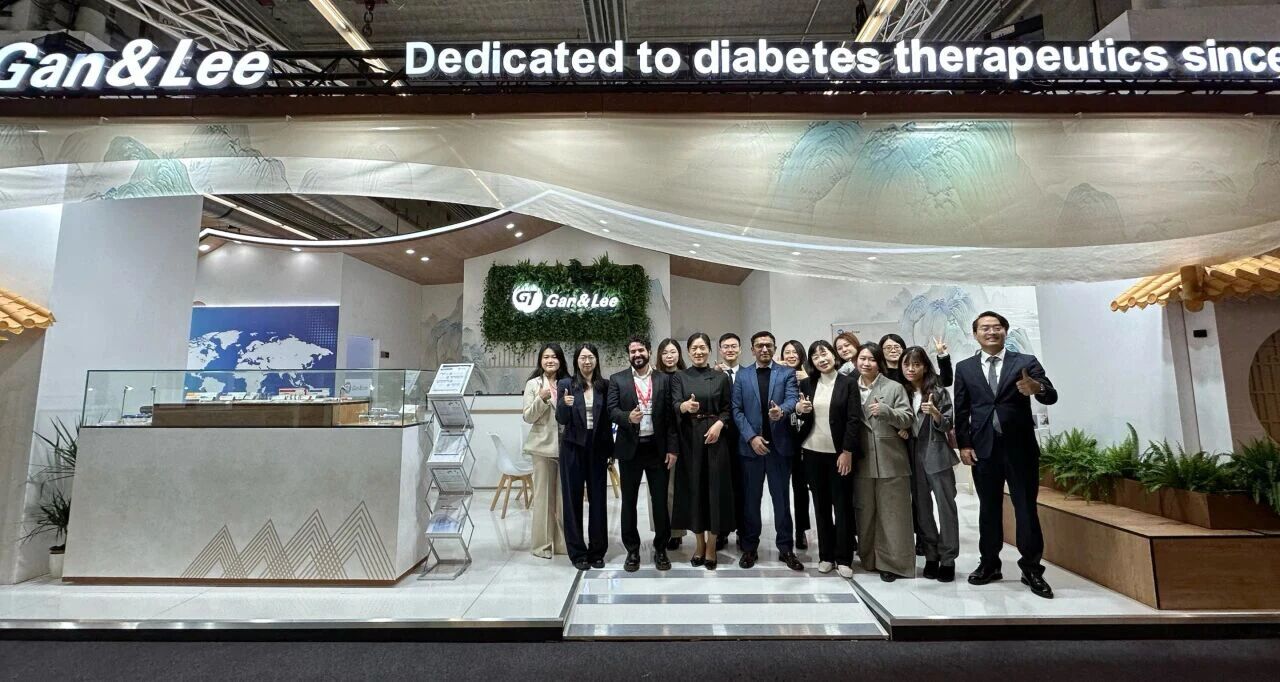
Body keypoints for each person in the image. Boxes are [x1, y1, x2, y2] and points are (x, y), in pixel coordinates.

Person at [954, 311, 1058, 599]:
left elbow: (1051, 394)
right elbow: (962, 410)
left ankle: (1032, 569)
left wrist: (1036, 387)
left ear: (1005, 331)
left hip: (1020, 449)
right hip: (983, 450)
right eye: (985, 328)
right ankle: (989, 564)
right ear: (975, 334)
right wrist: (964, 445)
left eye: (997, 327)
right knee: (988, 509)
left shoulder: (1024, 362)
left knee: (1026, 508)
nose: (991, 332)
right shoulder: (964, 368)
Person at [730, 331, 804, 571]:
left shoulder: (786, 373)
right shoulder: (742, 375)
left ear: (774, 347)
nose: (764, 349)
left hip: (779, 448)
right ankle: (750, 547)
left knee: (781, 501)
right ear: (752, 349)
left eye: (769, 345)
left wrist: (781, 411)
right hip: (751, 449)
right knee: (751, 501)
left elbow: (792, 399)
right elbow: (736, 409)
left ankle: (786, 549)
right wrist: (751, 437)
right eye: (759, 345)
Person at [607, 335, 680, 573]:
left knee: (660, 502)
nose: (637, 354)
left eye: (641, 350)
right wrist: (627, 417)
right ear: (628, 355)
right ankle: (632, 550)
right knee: (628, 502)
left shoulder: (663, 379)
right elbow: (611, 410)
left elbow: (670, 418)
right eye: (633, 351)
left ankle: (661, 548)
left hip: (657, 448)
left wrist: (672, 448)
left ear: (648, 352)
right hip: (631, 448)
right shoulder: (617, 379)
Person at [794, 340, 863, 578]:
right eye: (815, 357)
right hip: (812, 451)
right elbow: (802, 417)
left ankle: (844, 558)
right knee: (820, 505)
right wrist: (800, 410)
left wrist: (847, 451)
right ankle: (826, 556)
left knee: (842, 506)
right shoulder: (807, 383)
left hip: (839, 453)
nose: (821, 359)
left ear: (834, 356)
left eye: (824, 354)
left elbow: (854, 419)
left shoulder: (848, 383)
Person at [671, 333, 735, 570]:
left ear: (709, 350)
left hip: (716, 438)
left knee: (714, 491)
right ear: (688, 352)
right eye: (694, 348)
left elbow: (728, 408)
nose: (698, 352)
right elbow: (674, 404)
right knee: (694, 490)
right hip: (690, 439)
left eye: (702, 347)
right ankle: (699, 543)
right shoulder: (680, 377)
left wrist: (719, 424)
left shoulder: (721, 377)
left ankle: (712, 544)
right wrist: (685, 406)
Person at [852, 342, 915, 581]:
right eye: (862, 358)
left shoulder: (894, 387)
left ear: (879, 363)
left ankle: (894, 563)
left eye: (872, 359)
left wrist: (887, 411)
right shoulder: (849, 386)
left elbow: (907, 418)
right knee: (865, 513)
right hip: (861, 461)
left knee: (894, 514)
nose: (866, 363)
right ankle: (869, 559)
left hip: (891, 459)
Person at [900, 346, 960, 582]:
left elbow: (947, 424)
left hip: (937, 453)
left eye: (916, 364)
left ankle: (948, 558)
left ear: (925, 366)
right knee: (922, 508)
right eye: (907, 364)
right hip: (912, 455)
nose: (911, 369)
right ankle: (931, 555)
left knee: (946, 507)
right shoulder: (902, 392)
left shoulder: (938, 391)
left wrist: (935, 413)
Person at [556, 343, 613, 571]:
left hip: (597, 447)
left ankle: (597, 552)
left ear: (596, 360)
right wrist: (564, 404)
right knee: (572, 500)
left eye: (590, 357)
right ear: (576, 361)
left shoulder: (604, 386)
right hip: (572, 447)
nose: (587, 361)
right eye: (582, 357)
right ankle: (577, 553)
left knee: (598, 500)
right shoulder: (566, 384)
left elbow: (609, 419)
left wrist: (611, 452)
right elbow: (561, 419)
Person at [522, 343, 569, 559]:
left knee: (563, 499)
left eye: (554, 357)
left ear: (560, 360)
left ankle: (562, 543)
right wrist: (541, 398)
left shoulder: (567, 383)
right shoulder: (533, 384)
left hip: (566, 447)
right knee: (543, 498)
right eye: (546, 357)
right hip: (542, 448)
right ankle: (541, 545)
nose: (550, 360)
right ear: (540, 361)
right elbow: (528, 416)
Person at [654, 338, 688, 551]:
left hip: (684, 438)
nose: (669, 356)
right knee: (661, 490)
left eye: (673, 352)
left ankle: (677, 532)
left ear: (679, 354)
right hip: (659, 440)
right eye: (665, 352)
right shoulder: (655, 377)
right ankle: (663, 530)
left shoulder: (685, 376)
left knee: (677, 489)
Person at [779, 339, 812, 551]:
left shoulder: (809, 376)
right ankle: (785, 532)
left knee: (801, 489)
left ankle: (801, 531)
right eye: (787, 352)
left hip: (806, 439)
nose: (791, 355)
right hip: (784, 438)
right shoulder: (779, 375)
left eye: (795, 352)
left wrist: (806, 378)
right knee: (782, 490)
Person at [715, 332, 745, 551]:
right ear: (720, 350)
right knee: (721, 487)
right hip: (721, 438)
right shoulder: (713, 375)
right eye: (726, 346)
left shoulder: (749, 374)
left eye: (734, 346)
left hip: (743, 438)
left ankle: (744, 531)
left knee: (743, 487)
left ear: (740, 349)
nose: (730, 350)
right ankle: (721, 531)